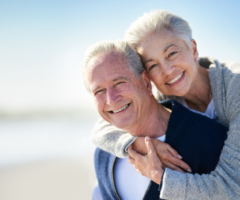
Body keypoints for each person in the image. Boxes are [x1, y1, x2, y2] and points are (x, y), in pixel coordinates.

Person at [92, 10, 240, 199]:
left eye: (171, 53)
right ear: (146, 77)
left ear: (193, 49)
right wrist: (136, 143)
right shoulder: (165, 92)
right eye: (153, 65)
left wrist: (160, 177)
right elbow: (102, 126)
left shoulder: (236, 89)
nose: (167, 71)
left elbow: (233, 187)